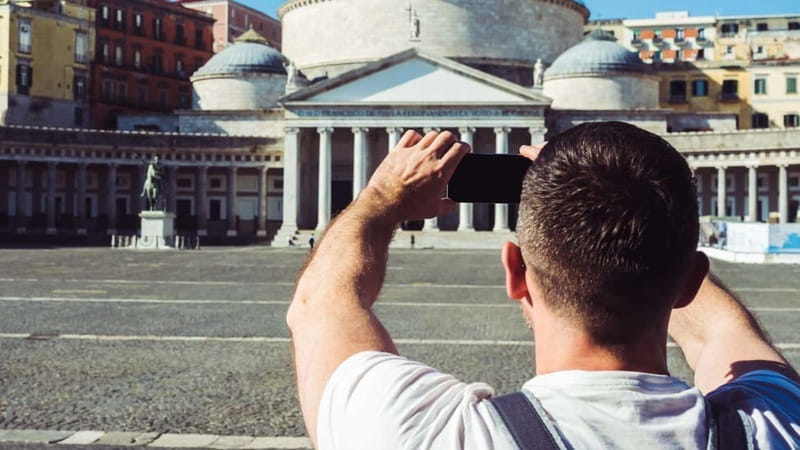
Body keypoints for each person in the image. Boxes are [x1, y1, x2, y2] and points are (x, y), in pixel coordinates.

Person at [287, 123, 800, 449]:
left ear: (515, 273)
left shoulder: (417, 433)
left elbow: (321, 303)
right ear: (689, 280)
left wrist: (382, 198)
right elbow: (722, 334)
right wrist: (602, 185)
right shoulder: (778, 425)